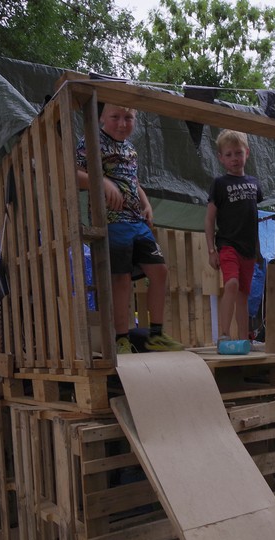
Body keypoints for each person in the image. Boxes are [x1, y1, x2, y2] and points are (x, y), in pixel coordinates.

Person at [75, 103, 183, 355]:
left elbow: (134, 182)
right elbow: (76, 173)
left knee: (159, 271)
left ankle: (156, 335)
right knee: (120, 278)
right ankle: (121, 339)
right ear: (101, 117)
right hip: (112, 220)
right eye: (115, 117)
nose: (122, 123)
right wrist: (102, 182)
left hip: (137, 221)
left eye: (129, 117)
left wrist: (146, 204)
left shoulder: (130, 149)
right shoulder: (90, 142)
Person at [204, 130, 263, 342]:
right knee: (231, 284)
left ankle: (244, 339)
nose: (234, 158)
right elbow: (209, 219)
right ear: (221, 158)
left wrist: (257, 251)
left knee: (244, 294)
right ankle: (224, 334)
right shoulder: (220, 183)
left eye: (238, 153)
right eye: (229, 155)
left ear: (247, 153)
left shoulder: (255, 184)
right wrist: (211, 250)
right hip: (228, 245)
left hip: (248, 249)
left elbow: (253, 217)